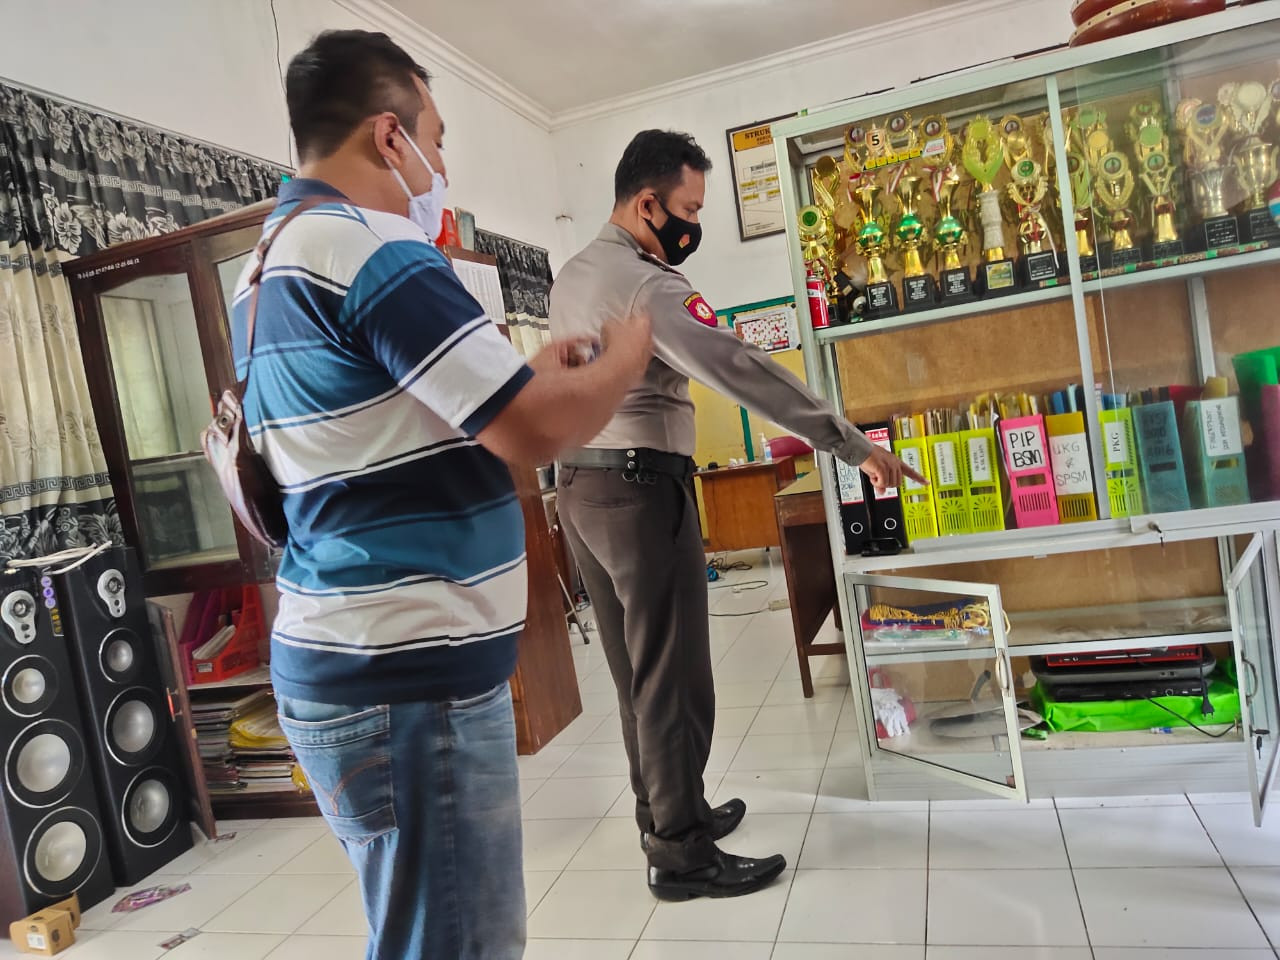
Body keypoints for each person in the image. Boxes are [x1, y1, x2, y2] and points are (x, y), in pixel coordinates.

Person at [235, 31, 652, 960]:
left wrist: (531, 373)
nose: (442, 163)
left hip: (348, 664)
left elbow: (385, 423)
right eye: (439, 135)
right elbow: (536, 430)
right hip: (405, 685)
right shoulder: (372, 248)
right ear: (392, 137)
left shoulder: (264, 269)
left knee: (423, 930)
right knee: (457, 943)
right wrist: (627, 356)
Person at [551, 129, 923, 902]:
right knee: (674, 677)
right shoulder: (648, 285)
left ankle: (668, 815)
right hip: (640, 489)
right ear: (646, 202)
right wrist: (847, 443)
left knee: (635, 674)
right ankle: (683, 855)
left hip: (580, 487)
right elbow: (740, 367)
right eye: (688, 210)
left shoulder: (573, 274)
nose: (693, 228)